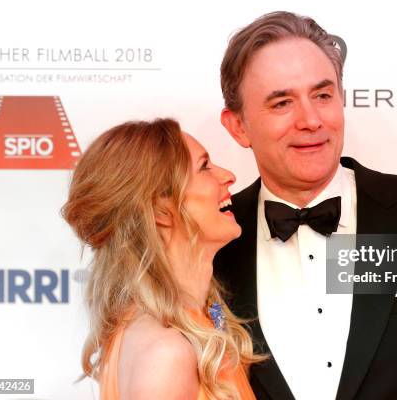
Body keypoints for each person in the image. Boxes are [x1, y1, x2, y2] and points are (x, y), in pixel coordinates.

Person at [214, 11, 397, 399]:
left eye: (322, 95)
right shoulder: (212, 239)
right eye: (281, 103)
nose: (310, 120)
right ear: (237, 125)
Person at [62, 118, 263, 400]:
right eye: (204, 167)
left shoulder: (203, 316)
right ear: (161, 209)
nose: (228, 175)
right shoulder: (166, 356)